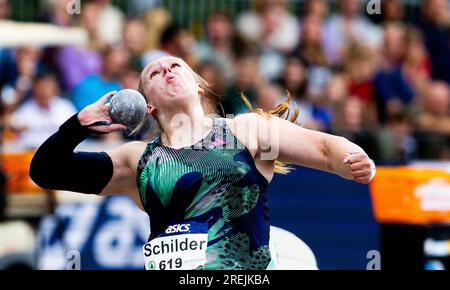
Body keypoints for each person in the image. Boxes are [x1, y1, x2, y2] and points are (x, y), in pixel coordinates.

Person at [29, 56, 376, 270]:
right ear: (147, 105)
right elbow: (44, 170)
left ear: (197, 87)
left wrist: (354, 160)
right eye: (154, 73)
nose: (166, 70)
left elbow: (324, 148)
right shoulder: (137, 161)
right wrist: (80, 124)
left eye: (175, 66)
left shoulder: (250, 133)